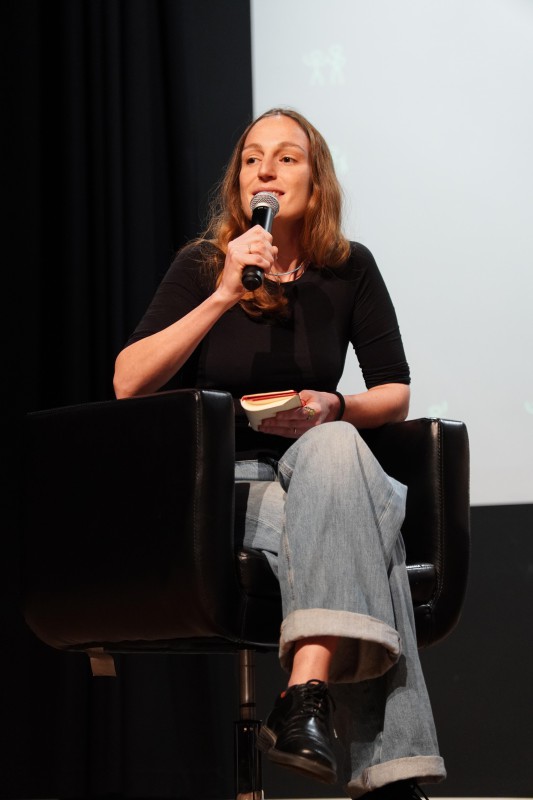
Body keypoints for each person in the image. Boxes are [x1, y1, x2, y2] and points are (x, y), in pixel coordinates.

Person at [113, 107, 446, 800]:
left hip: (321, 467)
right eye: (250, 158)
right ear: (239, 183)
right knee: (370, 532)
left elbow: (394, 391)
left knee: (336, 444)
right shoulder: (205, 264)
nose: (264, 169)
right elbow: (128, 382)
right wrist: (222, 294)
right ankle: (388, 779)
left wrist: (334, 405)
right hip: (223, 484)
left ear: (315, 182)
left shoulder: (349, 268)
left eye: (286, 157)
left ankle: (304, 693)